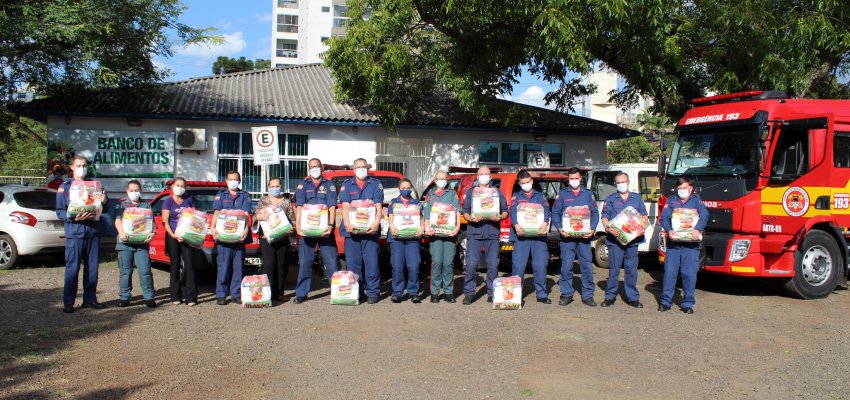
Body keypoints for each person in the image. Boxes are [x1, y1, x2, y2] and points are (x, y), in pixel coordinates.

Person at [55, 155, 108, 313]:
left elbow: (106, 205)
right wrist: (73, 217)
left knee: (92, 268)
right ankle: (69, 302)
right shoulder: (65, 187)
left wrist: (104, 199)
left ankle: (90, 300)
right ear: (72, 167)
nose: (82, 168)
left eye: (84, 165)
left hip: (93, 232)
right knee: (73, 267)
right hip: (75, 232)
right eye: (78, 165)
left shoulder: (95, 185)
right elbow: (59, 211)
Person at [659, 177, 709, 314]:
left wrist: (697, 229)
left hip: (691, 246)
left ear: (691, 188)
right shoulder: (672, 200)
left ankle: (687, 303)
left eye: (685, 188)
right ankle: (665, 302)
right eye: (679, 188)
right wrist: (669, 230)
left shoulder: (696, 201)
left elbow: (704, 215)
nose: (682, 191)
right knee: (670, 273)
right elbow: (664, 218)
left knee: (689, 274)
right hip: (674, 245)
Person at [551, 167, 599, 307]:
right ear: (568, 179)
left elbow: (595, 213)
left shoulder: (588, 195)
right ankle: (566, 294)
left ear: (580, 178)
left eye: (576, 178)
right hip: (567, 238)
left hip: (584, 238)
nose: (573, 181)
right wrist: (560, 228)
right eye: (571, 179)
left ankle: (588, 295)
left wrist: (593, 228)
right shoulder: (562, 194)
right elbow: (555, 213)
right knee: (566, 266)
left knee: (586, 267)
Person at [293, 158, 339, 304]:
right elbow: (299, 206)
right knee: (305, 262)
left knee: (331, 262)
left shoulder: (329, 185)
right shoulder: (302, 185)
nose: (315, 169)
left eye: (317, 166)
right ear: (309, 168)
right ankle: (301, 294)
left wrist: (331, 225)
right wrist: (298, 225)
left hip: (325, 229)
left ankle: (339, 292)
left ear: (321, 168)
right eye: (312, 167)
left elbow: (332, 206)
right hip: (307, 230)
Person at [600, 172, 649, 309]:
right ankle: (610, 297)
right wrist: (607, 228)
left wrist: (643, 222)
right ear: (616, 184)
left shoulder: (637, 198)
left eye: (623, 182)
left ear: (628, 182)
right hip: (615, 241)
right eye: (618, 182)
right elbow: (604, 216)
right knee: (614, 269)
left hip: (633, 240)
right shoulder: (610, 199)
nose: (621, 184)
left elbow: (644, 215)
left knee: (631, 269)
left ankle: (632, 298)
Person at [339, 158, 384, 304]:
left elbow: (378, 205)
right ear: (353, 169)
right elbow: (345, 206)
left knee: (372, 263)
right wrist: (347, 223)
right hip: (352, 232)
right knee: (353, 264)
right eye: (358, 167)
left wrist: (377, 223)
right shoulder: (347, 185)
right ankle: (355, 292)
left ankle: (373, 292)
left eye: (364, 167)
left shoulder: (375, 184)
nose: (361, 169)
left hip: (371, 231)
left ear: (368, 168)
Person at [461, 166, 508, 305]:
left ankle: (492, 292)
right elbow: (465, 212)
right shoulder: (471, 193)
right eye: (481, 174)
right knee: (471, 264)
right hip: (474, 232)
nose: (483, 176)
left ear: (490, 176)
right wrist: (471, 218)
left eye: (486, 174)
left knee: (493, 264)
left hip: (492, 232)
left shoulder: (497, 192)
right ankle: (469, 293)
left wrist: (499, 217)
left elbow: (505, 211)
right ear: (477, 176)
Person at [509, 171, 552, 304]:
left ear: (531, 181)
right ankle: (516, 295)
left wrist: (545, 223)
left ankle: (542, 294)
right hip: (521, 237)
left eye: (527, 182)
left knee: (540, 265)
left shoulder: (540, 196)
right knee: (518, 267)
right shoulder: (516, 197)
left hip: (538, 238)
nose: (526, 185)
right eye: (523, 183)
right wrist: (516, 225)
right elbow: (512, 213)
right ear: (519, 184)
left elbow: (546, 211)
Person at [210, 170, 252, 305]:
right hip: (224, 239)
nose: (233, 181)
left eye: (236, 179)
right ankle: (221, 294)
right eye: (230, 179)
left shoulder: (245, 196)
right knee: (223, 267)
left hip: (239, 238)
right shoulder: (221, 195)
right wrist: (212, 227)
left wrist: (246, 229)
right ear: (226, 180)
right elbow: (216, 213)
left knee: (238, 267)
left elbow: (246, 215)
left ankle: (235, 294)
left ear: (239, 181)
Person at [114, 179, 156, 308]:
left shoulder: (146, 205)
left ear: (141, 191)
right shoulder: (121, 204)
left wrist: (152, 234)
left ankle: (149, 297)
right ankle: (124, 297)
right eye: (131, 190)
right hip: (125, 242)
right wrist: (121, 232)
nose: (134, 192)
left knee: (145, 271)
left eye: (136, 190)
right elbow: (117, 220)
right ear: (127, 191)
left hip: (141, 243)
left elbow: (152, 224)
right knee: (125, 271)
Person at [423, 170, 461, 303]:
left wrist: (457, 228)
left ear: (447, 180)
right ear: (435, 180)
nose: (441, 180)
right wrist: (427, 229)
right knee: (437, 262)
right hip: (436, 236)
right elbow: (426, 215)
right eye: (439, 178)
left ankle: (448, 292)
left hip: (450, 234)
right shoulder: (430, 195)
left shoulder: (452, 194)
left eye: (443, 178)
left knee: (448, 263)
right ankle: (434, 292)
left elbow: (457, 212)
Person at [255, 177, 295, 301]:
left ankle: (279, 292)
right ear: (268, 187)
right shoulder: (263, 200)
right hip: (267, 238)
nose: (275, 188)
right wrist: (261, 216)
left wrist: (291, 228)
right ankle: (267, 293)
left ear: (281, 187)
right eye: (273, 186)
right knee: (269, 264)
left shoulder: (286, 202)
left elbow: (292, 219)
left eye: (277, 186)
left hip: (283, 238)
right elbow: (255, 217)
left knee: (281, 265)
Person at [161, 177, 199, 306]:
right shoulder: (168, 202)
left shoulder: (189, 200)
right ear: (172, 187)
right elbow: (165, 221)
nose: (180, 188)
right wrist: (174, 235)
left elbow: (194, 218)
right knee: (175, 265)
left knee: (190, 266)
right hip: (173, 236)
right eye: (177, 185)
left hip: (187, 237)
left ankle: (191, 297)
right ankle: (175, 296)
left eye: (182, 186)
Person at [387, 178, 424, 303]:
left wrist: (422, 228)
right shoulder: (393, 202)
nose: (406, 190)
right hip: (397, 238)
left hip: (413, 239)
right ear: (399, 189)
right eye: (403, 188)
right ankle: (397, 292)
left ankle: (413, 292)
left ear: (411, 189)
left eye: (408, 188)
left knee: (413, 266)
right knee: (397, 266)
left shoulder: (416, 203)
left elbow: (421, 218)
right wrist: (392, 226)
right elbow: (390, 218)